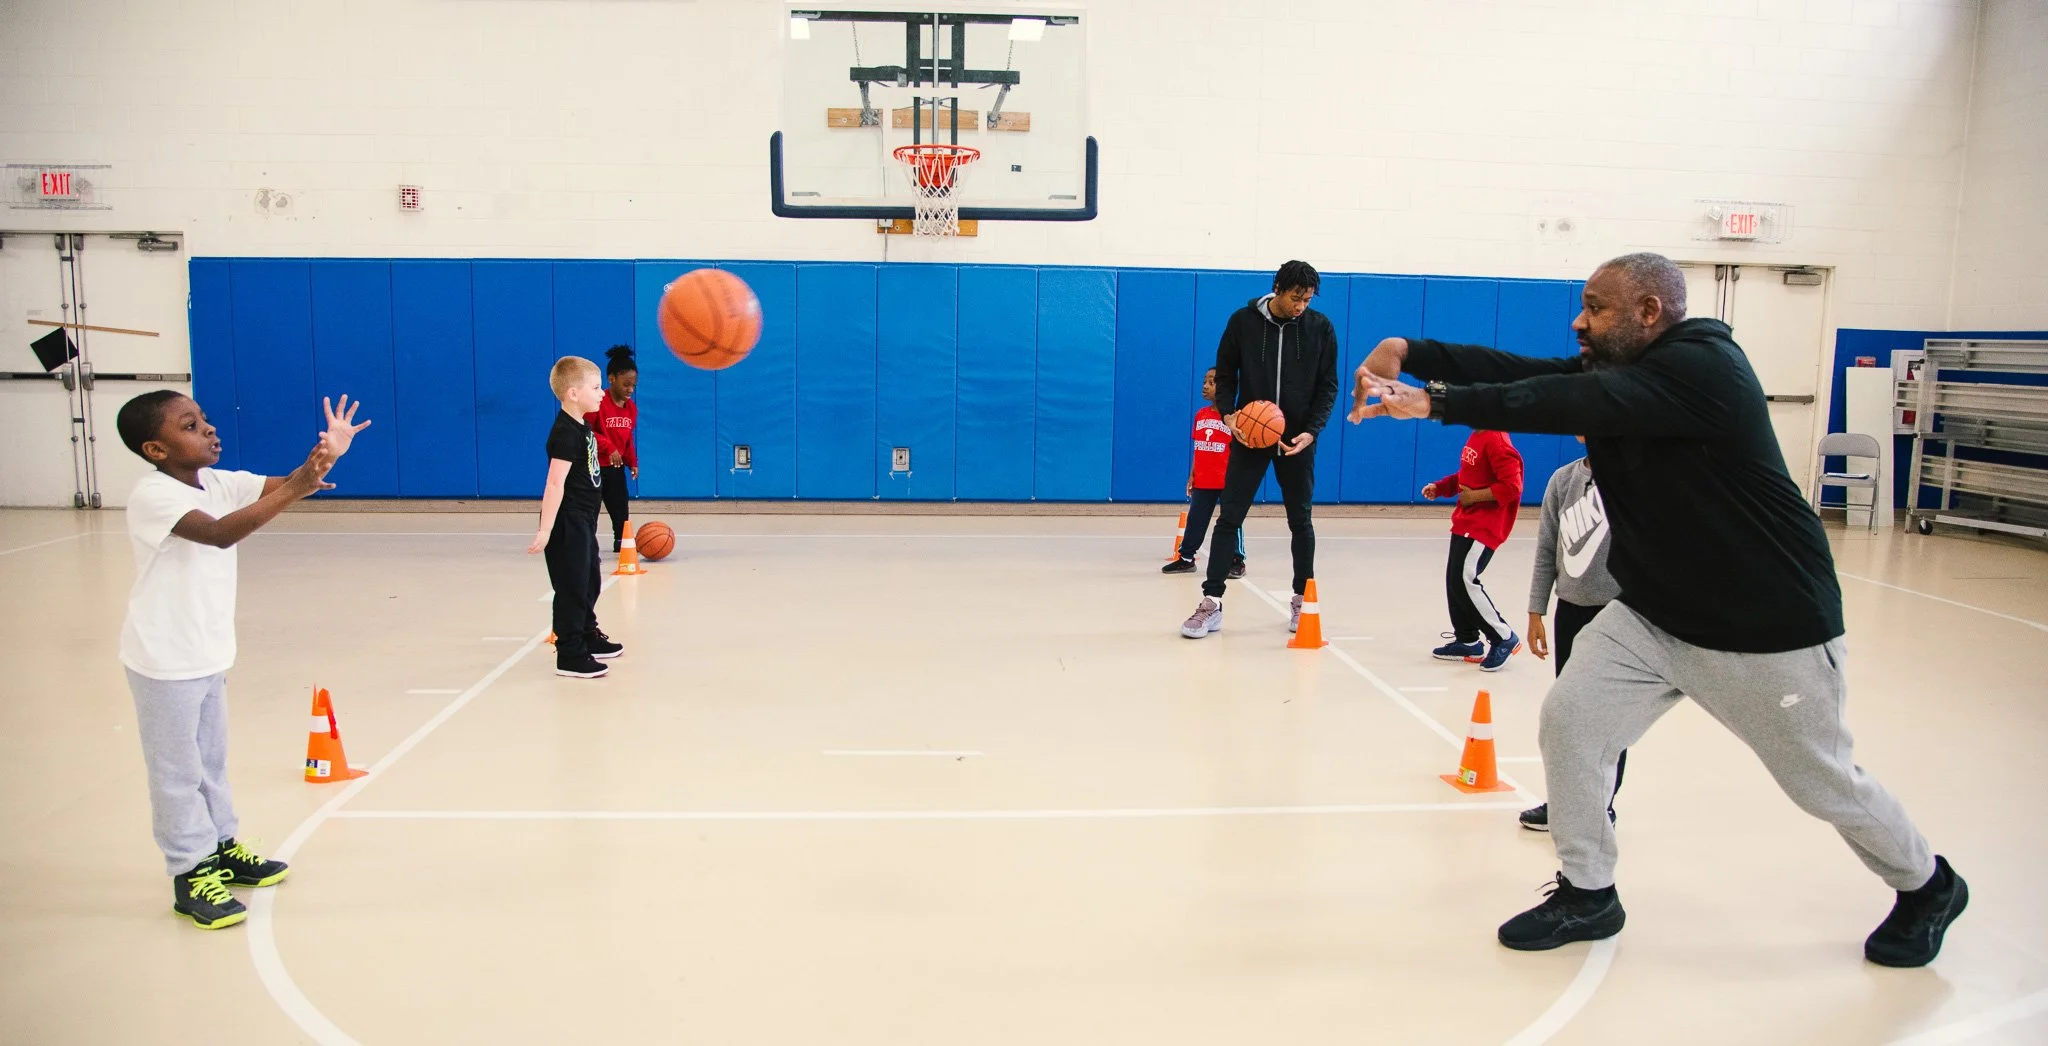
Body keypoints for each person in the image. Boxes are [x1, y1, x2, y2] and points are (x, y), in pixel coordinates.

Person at [1347, 252, 1966, 967]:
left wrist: (1436, 402)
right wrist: (1411, 351)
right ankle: (1589, 892)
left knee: (1821, 783)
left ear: (1648, 313)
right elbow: (1525, 371)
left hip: (1764, 626)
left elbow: (1563, 403)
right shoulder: (1623, 370)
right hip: (1652, 614)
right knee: (1572, 722)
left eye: (1597, 308)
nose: (1580, 320)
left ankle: (1928, 885)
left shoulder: (1704, 370)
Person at [114, 389, 370, 929]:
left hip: (206, 652)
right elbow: (218, 533)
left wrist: (329, 455)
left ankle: (222, 847)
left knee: (210, 762)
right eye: (190, 425)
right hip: (162, 659)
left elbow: (288, 485)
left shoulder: (218, 482)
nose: (207, 429)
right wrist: (300, 484)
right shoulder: (153, 495)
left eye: (204, 419)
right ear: (157, 449)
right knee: (176, 773)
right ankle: (189, 873)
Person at [1180, 260, 1340, 639]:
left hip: (1295, 440)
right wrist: (1229, 415)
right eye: (1296, 297)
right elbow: (1225, 373)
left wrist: (1312, 433)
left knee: (1300, 520)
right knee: (1229, 517)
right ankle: (1212, 602)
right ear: (1278, 288)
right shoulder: (1243, 321)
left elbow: (1328, 386)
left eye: (1307, 299)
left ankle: (1303, 599)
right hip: (1250, 435)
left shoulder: (1320, 328)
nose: (1302, 306)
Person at [1518, 438, 1623, 832]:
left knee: (1612, 715)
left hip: (1619, 613)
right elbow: (1547, 549)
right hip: (1571, 611)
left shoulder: (1635, 477)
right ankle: (1564, 800)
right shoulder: (1563, 481)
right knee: (1569, 713)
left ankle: (1603, 804)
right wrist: (1536, 610)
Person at [530, 356, 624, 678]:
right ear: (573, 393)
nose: (602, 393)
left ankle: (586, 632)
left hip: (584, 518)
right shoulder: (565, 433)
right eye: (596, 388)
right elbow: (555, 483)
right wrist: (546, 529)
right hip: (567, 521)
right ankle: (569, 653)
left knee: (590, 580)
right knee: (572, 586)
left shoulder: (581, 425)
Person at [1423, 428, 1524, 671]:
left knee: (1465, 579)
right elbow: (1469, 475)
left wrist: (1475, 497)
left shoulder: (1497, 441)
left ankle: (1503, 636)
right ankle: (1467, 639)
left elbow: (1512, 487)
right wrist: (1442, 487)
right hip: (1465, 522)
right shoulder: (1477, 435)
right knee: (1454, 579)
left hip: (1485, 526)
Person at [1162, 367, 1246, 580]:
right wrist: (1192, 475)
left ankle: (1237, 560)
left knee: (1231, 521)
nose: (1205, 386)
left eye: (1211, 382)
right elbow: (1199, 447)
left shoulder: (1237, 418)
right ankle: (1187, 558)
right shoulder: (1201, 415)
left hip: (1228, 480)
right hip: (1203, 479)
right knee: (1196, 519)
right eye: (1204, 381)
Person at [586, 345, 639, 553]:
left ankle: (622, 543)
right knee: (591, 510)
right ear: (611, 379)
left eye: (633, 385)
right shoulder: (599, 402)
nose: (630, 389)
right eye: (626, 384)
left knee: (620, 508)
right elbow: (586, 432)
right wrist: (608, 446)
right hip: (594, 467)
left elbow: (627, 439)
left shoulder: (631, 408)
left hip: (615, 468)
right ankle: (588, 546)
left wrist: (632, 461)